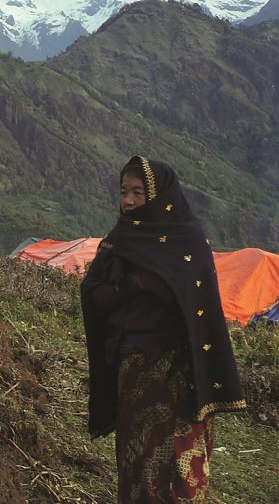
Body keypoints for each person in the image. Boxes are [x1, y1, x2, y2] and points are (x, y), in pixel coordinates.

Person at [81, 156, 246, 503]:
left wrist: (149, 285)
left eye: (138, 192)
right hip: (132, 365)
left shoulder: (188, 241)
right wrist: (131, 286)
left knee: (177, 455)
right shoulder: (120, 239)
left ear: (159, 196)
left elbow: (198, 309)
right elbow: (92, 292)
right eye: (124, 191)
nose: (127, 201)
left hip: (180, 373)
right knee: (136, 452)